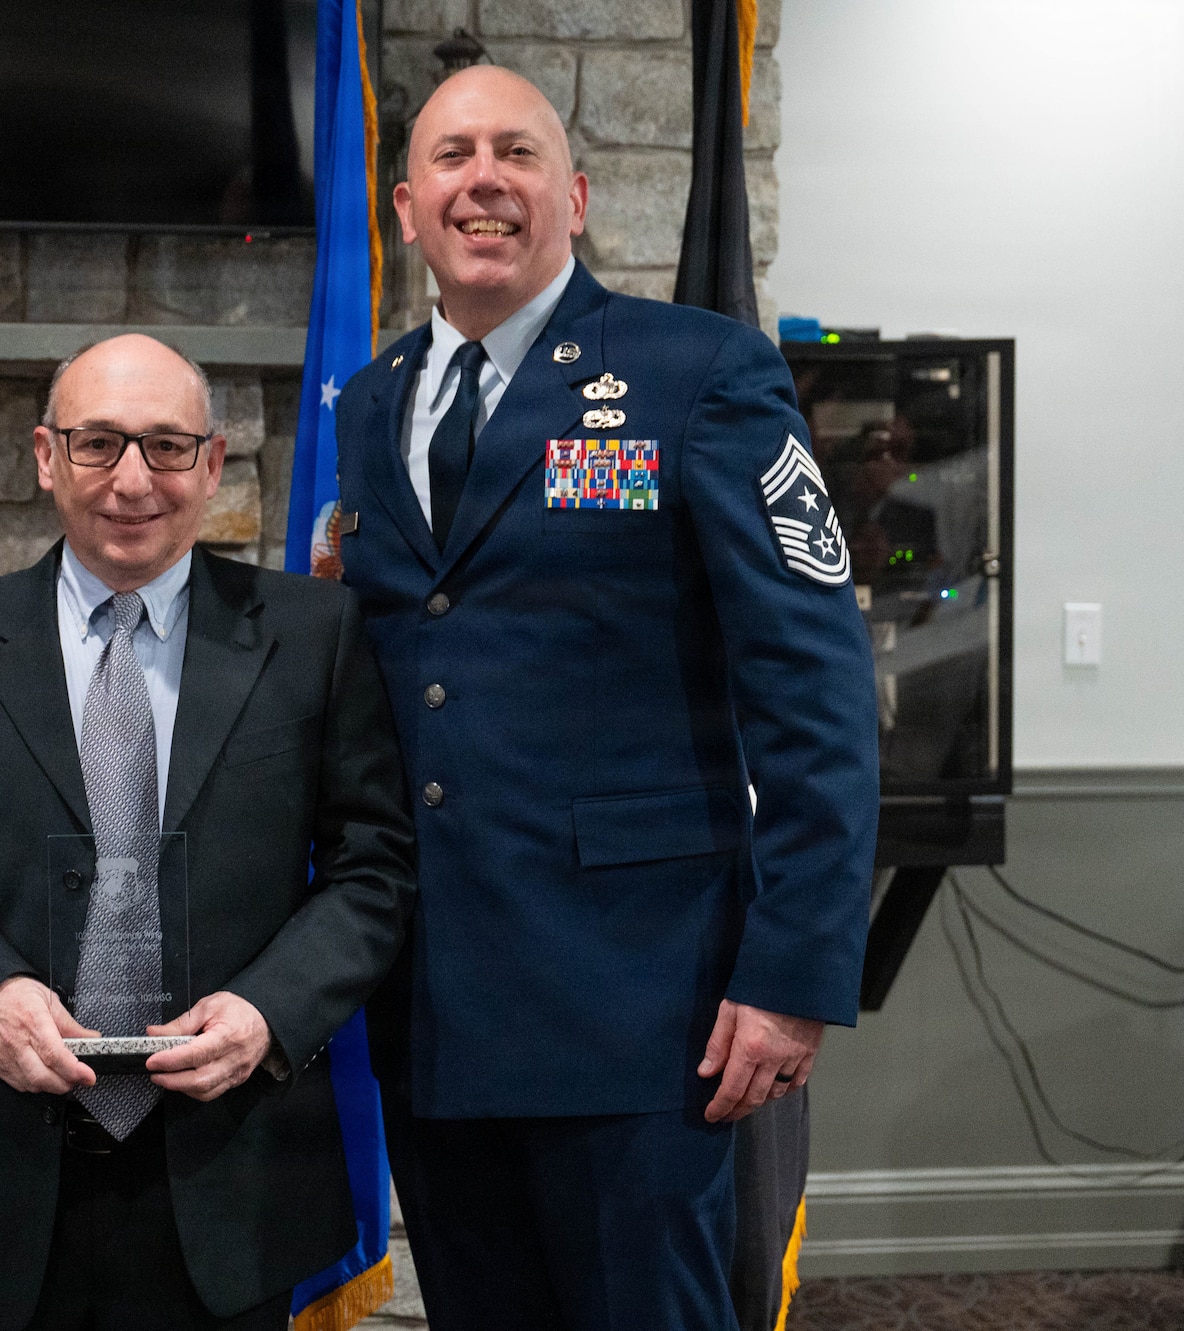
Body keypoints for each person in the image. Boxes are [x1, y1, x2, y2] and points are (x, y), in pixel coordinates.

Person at [330, 67, 879, 1330]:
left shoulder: (699, 372)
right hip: (434, 1005)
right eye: (452, 156)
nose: (483, 178)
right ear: (405, 208)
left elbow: (815, 686)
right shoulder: (367, 408)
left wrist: (793, 968)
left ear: (570, 197)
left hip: (643, 1006)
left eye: (515, 152)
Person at [0, 334, 416, 1331]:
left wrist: (269, 1011)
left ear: (210, 460)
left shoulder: (311, 635)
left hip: (230, 1180)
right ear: (44, 456)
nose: (132, 479)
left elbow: (373, 868)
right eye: (98, 442)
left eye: (164, 445)